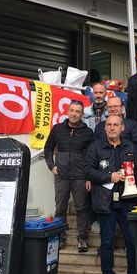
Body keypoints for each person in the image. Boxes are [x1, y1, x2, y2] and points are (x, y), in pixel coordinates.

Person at [84, 115, 137, 274]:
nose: (112, 128)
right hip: (105, 201)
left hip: (127, 200)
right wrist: (109, 177)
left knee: (132, 242)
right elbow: (87, 170)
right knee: (107, 242)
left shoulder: (130, 146)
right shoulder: (95, 147)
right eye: (109, 125)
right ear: (104, 128)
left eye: (115, 125)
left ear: (122, 128)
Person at [44, 100, 94, 251]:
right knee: (60, 208)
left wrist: (89, 177)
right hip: (62, 176)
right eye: (72, 110)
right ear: (67, 111)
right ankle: (60, 238)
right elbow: (48, 148)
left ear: (82, 114)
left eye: (78, 111)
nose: (74, 114)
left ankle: (82, 238)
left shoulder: (88, 132)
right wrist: (51, 166)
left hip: (80, 176)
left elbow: (92, 156)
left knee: (81, 208)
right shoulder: (58, 129)